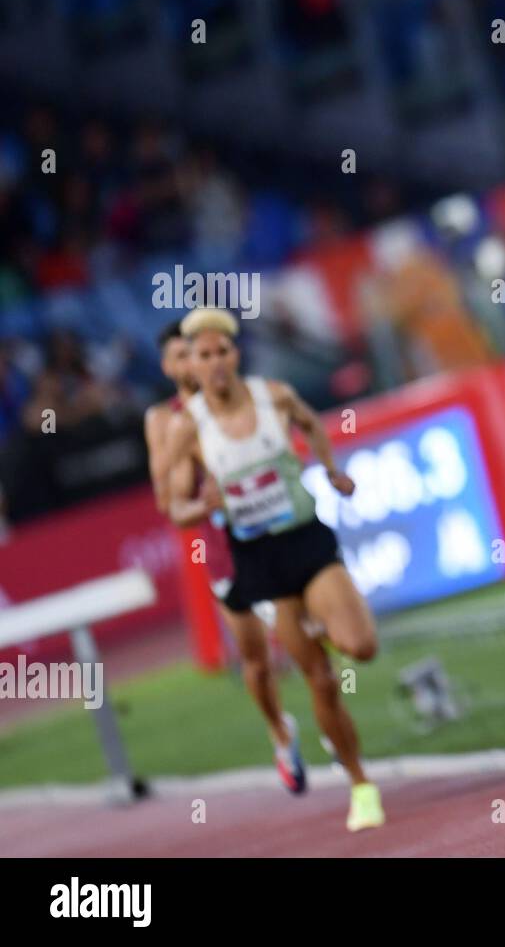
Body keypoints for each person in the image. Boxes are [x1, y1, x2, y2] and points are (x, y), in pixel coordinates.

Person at [156, 307, 389, 827]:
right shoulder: (184, 429)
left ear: (235, 355)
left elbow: (311, 422)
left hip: (304, 541)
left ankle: (330, 622)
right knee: (320, 680)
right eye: (203, 355)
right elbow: (174, 507)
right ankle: (361, 786)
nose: (215, 363)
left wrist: (330, 470)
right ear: (190, 365)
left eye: (222, 352)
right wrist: (205, 504)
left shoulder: (273, 395)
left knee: (361, 646)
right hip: (259, 563)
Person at [144, 321, 307, 794]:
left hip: (278, 534)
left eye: (196, 353)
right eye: (180, 356)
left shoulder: (246, 398)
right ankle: (281, 731)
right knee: (256, 661)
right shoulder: (168, 421)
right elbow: (166, 502)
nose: (192, 364)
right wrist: (203, 499)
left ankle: (334, 725)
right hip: (225, 554)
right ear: (170, 366)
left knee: (309, 639)